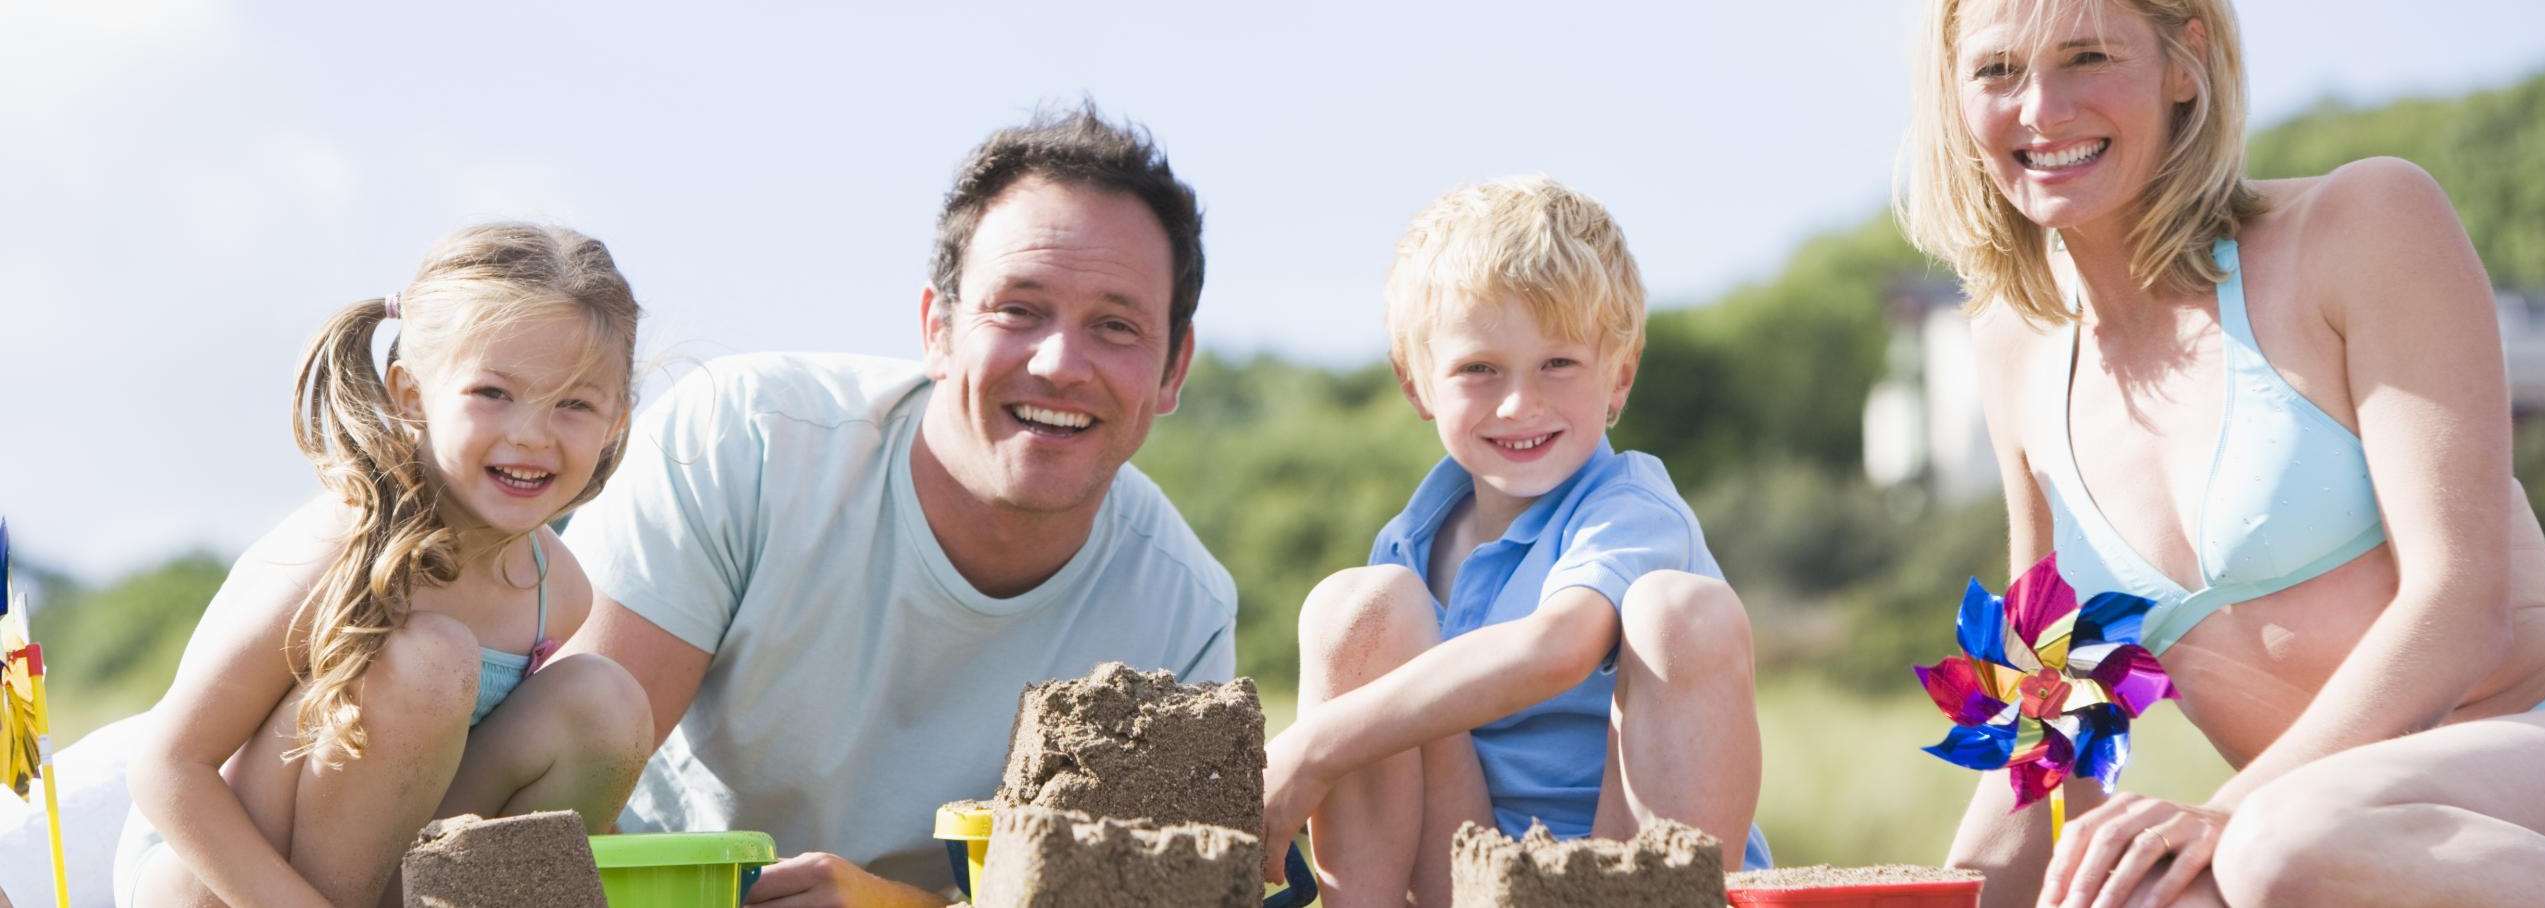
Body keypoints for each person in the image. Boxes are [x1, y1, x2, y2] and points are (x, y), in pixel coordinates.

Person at [1898, 1, 2545, 905]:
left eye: (2086, 57)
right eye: (1998, 72)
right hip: (2309, 836)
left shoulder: (2364, 222)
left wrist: (2224, 815)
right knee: (2166, 889)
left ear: (2185, 62)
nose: (2042, 108)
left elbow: (2463, 605)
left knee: (2258, 848)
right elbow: (2052, 708)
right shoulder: (2012, 344)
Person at [556, 103, 1235, 906]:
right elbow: (546, 817)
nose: (1059, 363)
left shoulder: (1180, 611)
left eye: (1116, 326)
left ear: (1172, 369)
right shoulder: (740, 441)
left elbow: (1107, 903)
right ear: (938, 328)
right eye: (1018, 309)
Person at [1258, 175, 1771, 904]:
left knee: (1681, 612)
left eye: (1558, 363)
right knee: (1356, 606)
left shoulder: (1627, 507)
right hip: (1471, 877)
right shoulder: (1411, 541)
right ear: (1416, 386)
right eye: (1478, 369)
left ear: (1619, 379)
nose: (1520, 403)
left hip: (1619, 871)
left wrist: (1313, 747)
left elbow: (1557, 648)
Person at [116, 223, 655, 907]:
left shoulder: (561, 590)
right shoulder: (350, 539)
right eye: (492, 393)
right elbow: (168, 768)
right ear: (410, 394)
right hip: (219, 875)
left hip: (385, 865)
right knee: (429, 657)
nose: (530, 435)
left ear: (616, 421)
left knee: (606, 703)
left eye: (574, 404)